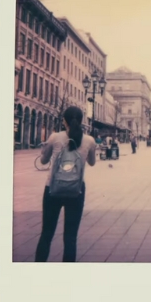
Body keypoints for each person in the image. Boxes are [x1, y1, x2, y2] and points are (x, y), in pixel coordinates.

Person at [35, 106, 97, 262]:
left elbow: (43, 161)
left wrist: (46, 150)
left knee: (46, 234)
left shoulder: (54, 137)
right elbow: (92, 162)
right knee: (70, 237)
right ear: (82, 121)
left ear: (64, 121)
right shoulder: (89, 140)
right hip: (76, 191)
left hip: (52, 189)